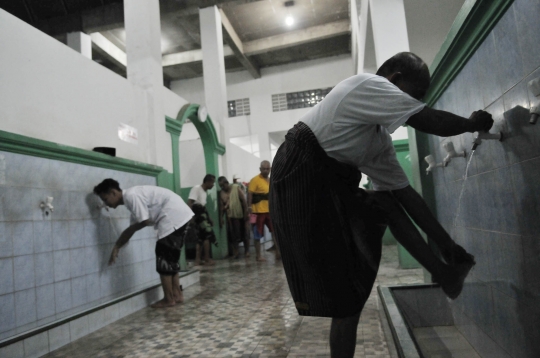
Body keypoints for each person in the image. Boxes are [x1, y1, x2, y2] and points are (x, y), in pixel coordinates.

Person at [269, 52, 493, 357]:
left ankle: (443, 272)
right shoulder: (366, 84)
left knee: (352, 293)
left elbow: (406, 195)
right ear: (394, 79)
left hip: (328, 187)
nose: (415, 103)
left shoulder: (376, 140)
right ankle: (443, 272)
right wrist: (469, 124)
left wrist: (447, 245)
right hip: (300, 176)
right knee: (344, 292)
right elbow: (427, 119)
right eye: (415, 95)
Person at [93, 179, 193, 308]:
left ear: (113, 193)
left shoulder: (131, 196)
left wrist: (118, 245)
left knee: (163, 256)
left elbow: (143, 222)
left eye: (105, 199)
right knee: (171, 257)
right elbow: (132, 228)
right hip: (180, 215)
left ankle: (169, 299)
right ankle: (177, 295)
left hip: (173, 216)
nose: (105, 203)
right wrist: (117, 246)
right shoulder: (132, 199)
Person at [247, 160, 280, 261]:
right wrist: (249, 207)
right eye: (264, 169)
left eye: (267, 168)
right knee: (258, 234)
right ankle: (258, 255)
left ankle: (278, 253)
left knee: (275, 232)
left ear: (270, 169)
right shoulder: (255, 180)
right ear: (260, 169)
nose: (266, 170)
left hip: (270, 211)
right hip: (258, 212)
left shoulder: (271, 180)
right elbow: (250, 194)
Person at [188, 174, 216, 266]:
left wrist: (209, 218)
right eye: (212, 183)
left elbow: (203, 206)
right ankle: (206, 259)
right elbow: (190, 203)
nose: (213, 185)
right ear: (207, 182)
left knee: (200, 238)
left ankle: (198, 260)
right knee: (207, 236)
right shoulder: (197, 189)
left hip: (202, 214)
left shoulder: (204, 192)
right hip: (197, 215)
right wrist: (190, 217)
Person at [218, 176, 249, 258]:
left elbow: (244, 201)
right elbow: (222, 206)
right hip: (231, 217)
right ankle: (236, 252)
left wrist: (246, 212)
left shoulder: (236, 188)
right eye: (220, 186)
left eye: (223, 185)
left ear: (226, 183)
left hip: (241, 214)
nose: (222, 187)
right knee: (234, 235)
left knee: (245, 233)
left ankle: (247, 251)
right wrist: (221, 218)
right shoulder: (222, 193)